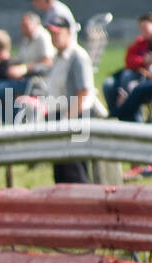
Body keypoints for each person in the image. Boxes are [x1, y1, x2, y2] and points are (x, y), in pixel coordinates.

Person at [43, 15, 106, 183]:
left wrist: (67, 120)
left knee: (75, 169)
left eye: (57, 33)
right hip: (61, 116)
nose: (53, 37)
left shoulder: (77, 56)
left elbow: (84, 91)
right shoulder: (58, 57)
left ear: (68, 32)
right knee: (61, 172)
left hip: (76, 116)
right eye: (51, 34)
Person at [102, 14, 152, 113]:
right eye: (141, 28)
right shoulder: (140, 43)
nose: (144, 31)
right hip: (136, 74)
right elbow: (129, 60)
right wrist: (144, 61)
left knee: (136, 89)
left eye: (146, 27)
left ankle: (123, 112)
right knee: (109, 84)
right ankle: (116, 112)